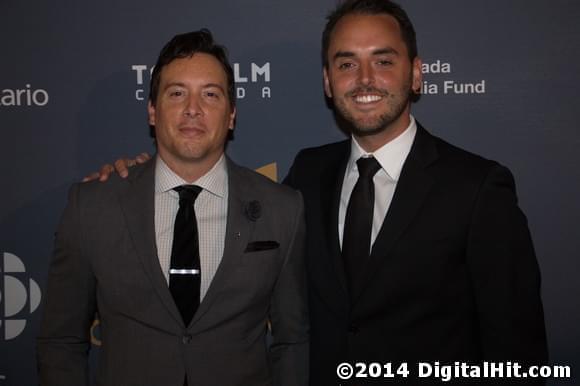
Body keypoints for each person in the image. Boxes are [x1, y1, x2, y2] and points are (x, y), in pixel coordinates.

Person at [90, 1, 548, 384]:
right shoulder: (309, 173)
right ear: (329, 82)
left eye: (383, 61)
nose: (364, 78)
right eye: (346, 63)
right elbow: (223, 208)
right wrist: (146, 175)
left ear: (416, 74)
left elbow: (518, 352)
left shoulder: (477, 186)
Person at [37, 29, 308, 386]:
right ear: (152, 111)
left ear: (231, 115)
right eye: (177, 93)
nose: (193, 109)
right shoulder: (92, 205)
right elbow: (60, 340)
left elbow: (292, 341)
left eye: (210, 95)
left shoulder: (282, 209)